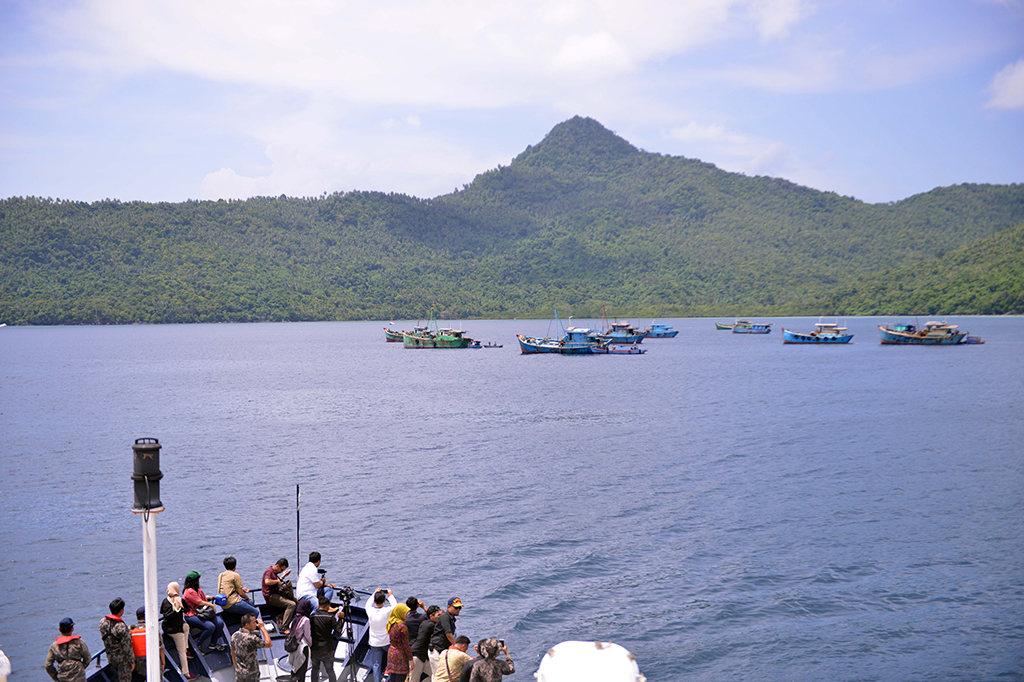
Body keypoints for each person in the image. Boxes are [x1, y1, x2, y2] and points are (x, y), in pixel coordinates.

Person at [182, 570, 229, 653]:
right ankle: (198, 645)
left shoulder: (197, 590)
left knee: (220, 623)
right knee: (210, 627)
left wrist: (208, 597)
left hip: (202, 612)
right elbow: (199, 602)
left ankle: (213, 643)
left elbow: (201, 598)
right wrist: (211, 605)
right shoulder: (189, 591)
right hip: (192, 615)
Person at [160, 582, 195, 680]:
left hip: (166, 628)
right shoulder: (180, 601)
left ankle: (186, 647)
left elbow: (162, 612)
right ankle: (186, 673)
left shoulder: (165, 601)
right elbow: (187, 610)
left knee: (186, 626)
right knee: (181, 652)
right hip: (177, 630)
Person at [365, 588, 399, 682]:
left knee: (376, 665)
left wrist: (374, 593)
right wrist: (391, 595)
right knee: (393, 662)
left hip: (374, 643)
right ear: (384, 601)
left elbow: (368, 603)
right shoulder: (387, 611)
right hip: (387, 642)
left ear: (375, 601)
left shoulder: (369, 610)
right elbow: (395, 606)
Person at [309, 595, 345, 682]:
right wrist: (341, 618)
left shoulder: (312, 617)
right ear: (328, 606)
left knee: (315, 669)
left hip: (315, 647)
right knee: (330, 670)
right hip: (327, 647)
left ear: (318, 606)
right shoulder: (330, 617)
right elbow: (338, 629)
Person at [98, 598, 134, 682]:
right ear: (121, 611)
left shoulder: (102, 622)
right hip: (122, 659)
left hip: (110, 657)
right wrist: (131, 661)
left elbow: (111, 632)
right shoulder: (121, 626)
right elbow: (127, 646)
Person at [45, 617, 91, 682]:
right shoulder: (79, 642)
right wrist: (80, 668)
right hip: (79, 677)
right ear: (72, 629)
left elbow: (48, 665)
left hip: (63, 678)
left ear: (59, 629)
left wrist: (56, 678)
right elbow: (88, 658)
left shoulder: (54, 646)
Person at [230, 613, 271, 682]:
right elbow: (269, 644)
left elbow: (233, 653)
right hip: (251, 674)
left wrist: (236, 668)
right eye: (254, 622)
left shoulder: (234, 635)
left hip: (240, 673)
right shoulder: (251, 638)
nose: (256, 624)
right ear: (247, 625)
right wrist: (262, 628)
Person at [262, 557, 297, 634]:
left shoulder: (274, 573)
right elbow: (267, 581)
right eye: (281, 570)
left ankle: (281, 616)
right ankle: (283, 628)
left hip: (276, 593)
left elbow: (277, 582)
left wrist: (283, 577)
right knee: (291, 605)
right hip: (271, 596)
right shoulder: (269, 572)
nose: (281, 571)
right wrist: (278, 581)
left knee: (297, 602)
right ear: (277, 566)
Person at [428, 598, 462, 675]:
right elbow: (449, 634)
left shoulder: (451, 618)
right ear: (448, 607)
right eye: (456, 607)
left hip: (442, 650)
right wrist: (458, 648)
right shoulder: (445, 617)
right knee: (439, 675)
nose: (458, 610)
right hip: (436, 649)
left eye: (459, 608)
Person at [130, 606, 166, 678]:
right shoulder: (152, 629)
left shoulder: (131, 630)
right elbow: (161, 647)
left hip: (138, 665)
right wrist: (163, 663)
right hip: (152, 661)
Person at [286, 598, 314, 682]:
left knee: (295, 668)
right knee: (302, 669)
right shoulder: (306, 620)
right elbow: (307, 634)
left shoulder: (294, 618)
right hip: (303, 646)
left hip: (294, 646)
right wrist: (310, 643)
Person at [410, 606, 441, 682]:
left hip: (424, 657)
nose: (440, 618)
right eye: (438, 615)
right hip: (417, 656)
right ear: (431, 616)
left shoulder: (425, 622)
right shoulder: (431, 626)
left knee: (437, 675)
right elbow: (441, 630)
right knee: (414, 680)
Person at [385, 602, 412, 682]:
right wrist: (411, 659)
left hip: (391, 653)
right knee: (400, 679)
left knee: (393, 678)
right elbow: (406, 645)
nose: (407, 614)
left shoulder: (391, 624)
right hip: (400, 655)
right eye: (405, 613)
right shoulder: (403, 627)